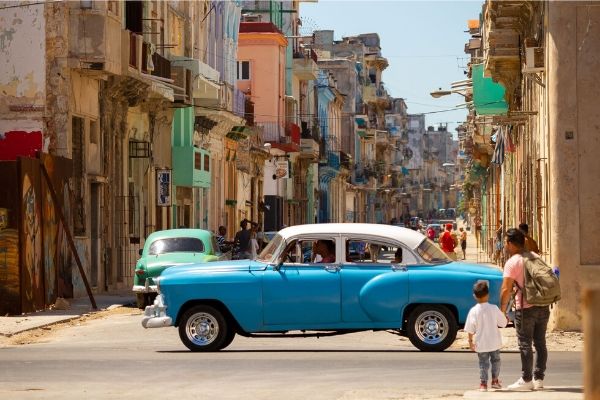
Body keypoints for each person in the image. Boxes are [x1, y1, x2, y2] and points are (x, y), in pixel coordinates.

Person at [500, 228, 549, 391]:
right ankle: (539, 379)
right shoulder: (536, 257)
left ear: (511, 244)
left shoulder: (513, 262)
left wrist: (502, 310)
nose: (506, 246)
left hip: (526, 308)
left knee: (525, 344)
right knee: (540, 343)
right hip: (543, 306)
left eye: (506, 242)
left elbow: (506, 289)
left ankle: (526, 379)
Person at [465, 280, 508, 392]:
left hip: (481, 343)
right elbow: (503, 323)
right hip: (494, 342)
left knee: (483, 364)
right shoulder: (494, 308)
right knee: (496, 361)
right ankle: (495, 380)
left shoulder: (473, 311)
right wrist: (505, 316)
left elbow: (470, 329)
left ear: (474, 296)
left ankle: (483, 384)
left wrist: (470, 342)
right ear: (488, 294)